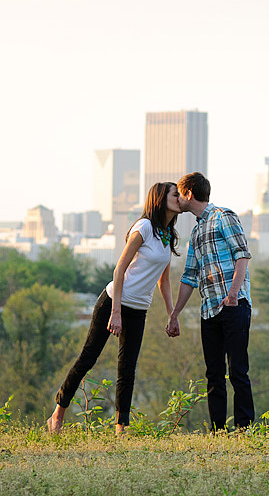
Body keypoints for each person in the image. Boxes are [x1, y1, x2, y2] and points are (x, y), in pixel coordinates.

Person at [47, 182, 181, 435]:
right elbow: (119, 269)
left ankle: (121, 428)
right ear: (161, 199)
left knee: (127, 368)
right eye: (176, 195)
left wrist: (172, 314)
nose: (180, 198)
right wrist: (116, 312)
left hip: (139, 309)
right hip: (113, 302)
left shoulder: (168, 236)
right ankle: (57, 415)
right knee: (88, 358)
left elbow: (164, 280)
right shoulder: (144, 228)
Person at [167, 172, 255, 431]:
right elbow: (189, 276)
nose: (178, 201)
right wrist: (174, 315)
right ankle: (218, 431)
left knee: (238, 371)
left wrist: (232, 294)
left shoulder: (223, 217)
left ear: (189, 194)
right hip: (208, 312)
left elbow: (243, 255)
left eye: (179, 195)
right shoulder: (195, 231)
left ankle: (244, 429)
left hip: (233, 305)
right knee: (214, 375)